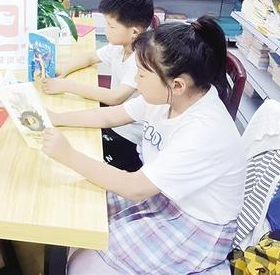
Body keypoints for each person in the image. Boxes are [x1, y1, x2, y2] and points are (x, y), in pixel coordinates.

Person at [43, 16, 246, 274]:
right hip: (162, 195)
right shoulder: (169, 97)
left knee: (81, 263)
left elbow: (135, 188)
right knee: (77, 212)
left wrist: (68, 155)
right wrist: (58, 118)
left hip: (193, 223)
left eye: (140, 73)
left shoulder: (204, 130)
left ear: (178, 84)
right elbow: (111, 115)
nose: (135, 80)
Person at [43, 0, 154, 171]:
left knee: (71, 149)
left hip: (128, 135)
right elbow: (90, 57)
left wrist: (67, 85)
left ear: (134, 32)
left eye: (111, 26)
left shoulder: (141, 59)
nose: (106, 30)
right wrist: (61, 70)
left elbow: (115, 97)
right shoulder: (119, 46)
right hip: (113, 117)